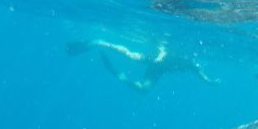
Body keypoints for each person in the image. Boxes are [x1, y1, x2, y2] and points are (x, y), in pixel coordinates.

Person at [67, 38, 217, 92]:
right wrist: (158, 58)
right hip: (155, 61)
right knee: (131, 56)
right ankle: (99, 42)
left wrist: (211, 82)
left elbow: (203, 76)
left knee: (143, 90)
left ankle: (119, 75)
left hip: (158, 69)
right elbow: (165, 53)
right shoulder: (185, 56)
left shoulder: (192, 64)